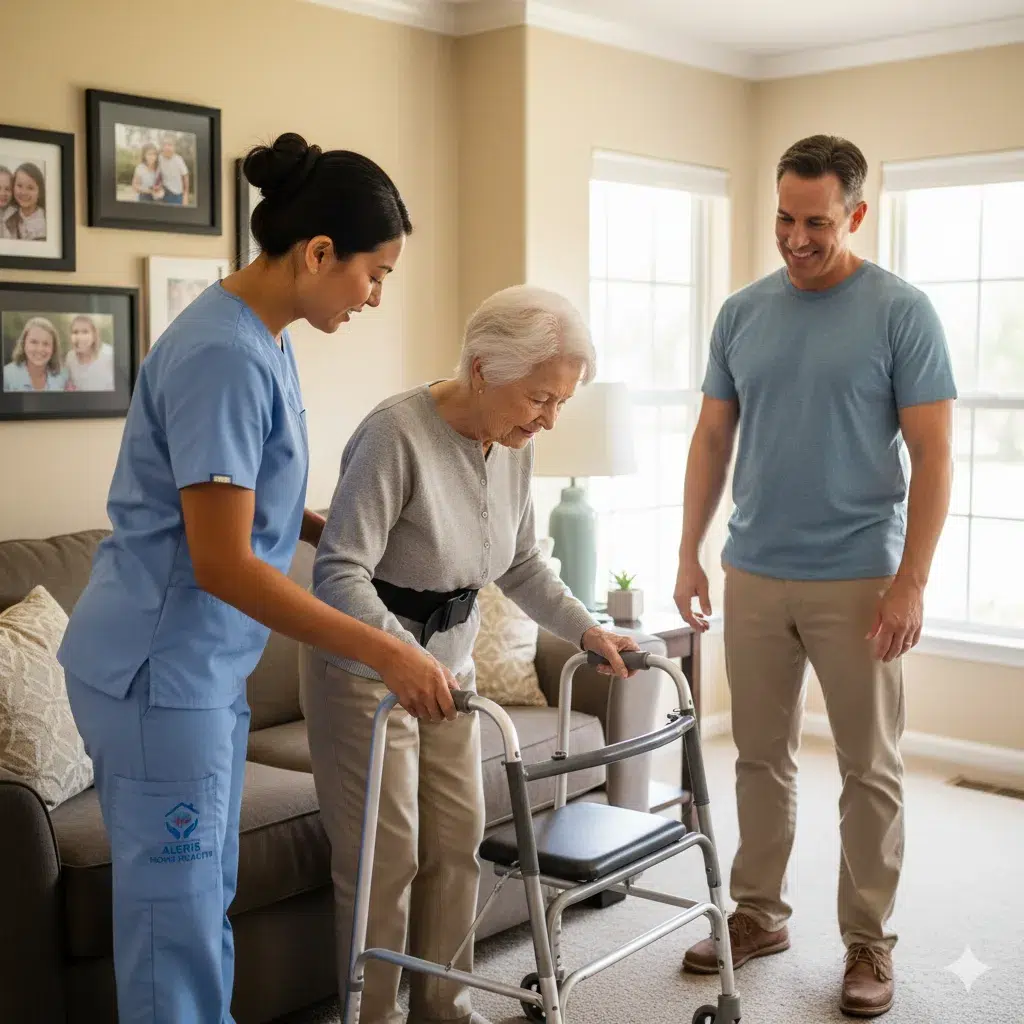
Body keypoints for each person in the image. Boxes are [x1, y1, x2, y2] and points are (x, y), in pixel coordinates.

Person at [57, 132, 461, 1024]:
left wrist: (332, 530)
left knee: (200, 895)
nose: (376, 295)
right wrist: (385, 649)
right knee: (178, 922)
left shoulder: (261, 337)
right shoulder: (226, 356)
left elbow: (247, 507)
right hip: (163, 674)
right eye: (374, 272)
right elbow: (224, 561)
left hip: (193, 668)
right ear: (318, 253)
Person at [301, 284, 642, 1024]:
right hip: (367, 673)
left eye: (560, 403)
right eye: (540, 399)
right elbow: (337, 570)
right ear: (484, 369)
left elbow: (520, 564)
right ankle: (376, 1017)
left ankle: (442, 1008)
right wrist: (398, 657)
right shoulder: (396, 433)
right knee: (384, 861)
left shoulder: (511, 446)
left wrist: (586, 628)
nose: (549, 420)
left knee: (457, 845)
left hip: (452, 671)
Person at [675, 135, 956, 1019]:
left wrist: (911, 579)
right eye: (784, 220)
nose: (797, 239)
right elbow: (714, 436)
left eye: (818, 223)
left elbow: (934, 449)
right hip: (754, 570)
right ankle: (759, 913)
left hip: (860, 578)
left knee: (868, 767)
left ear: (856, 215)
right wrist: (689, 548)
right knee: (758, 758)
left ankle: (868, 939)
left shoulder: (900, 312)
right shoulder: (741, 314)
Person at [3, 316, 68, 391]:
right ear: (24, 344)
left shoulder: (64, 376)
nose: (40, 349)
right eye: (34, 342)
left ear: (54, 348)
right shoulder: (6, 376)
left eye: (46, 344)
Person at [64, 314, 115, 391]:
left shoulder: (110, 355)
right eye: (75, 332)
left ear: (95, 335)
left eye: (85, 332)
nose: (79, 337)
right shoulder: (70, 357)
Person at [1, 161, 46, 240]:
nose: (24, 192)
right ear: (13, 187)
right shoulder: (8, 216)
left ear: (40, 192)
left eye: (30, 188)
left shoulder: (46, 220)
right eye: (19, 185)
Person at [157, 133, 190, 205]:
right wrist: (158, 185)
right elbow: (159, 174)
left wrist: (186, 194)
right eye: (165, 144)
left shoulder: (178, 160)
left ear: (174, 147)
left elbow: (185, 176)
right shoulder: (160, 158)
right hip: (164, 192)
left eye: (170, 145)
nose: (167, 147)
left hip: (177, 194)